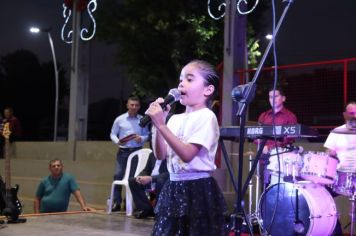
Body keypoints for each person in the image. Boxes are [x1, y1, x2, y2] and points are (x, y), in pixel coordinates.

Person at [146, 60, 227, 235]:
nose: (182, 83)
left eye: (190, 79)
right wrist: (158, 125)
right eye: (181, 79)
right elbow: (160, 154)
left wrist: (162, 126)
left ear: (208, 90)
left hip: (197, 188)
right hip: (173, 186)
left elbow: (188, 154)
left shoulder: (206, 116)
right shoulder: (174, 119)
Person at [110, 96, 149, 211]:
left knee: (133, 178)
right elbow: (112, 133)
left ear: (139, 107)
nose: (134, 107)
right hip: (123, 151)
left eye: (136, 105)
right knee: (118, 175)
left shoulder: (143, 119)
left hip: (137, 152)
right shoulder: (120, 119)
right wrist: (118, 141)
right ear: (127, 105)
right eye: (132, 105)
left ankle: (133, 204)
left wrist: (141, 138)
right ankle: (117, 203)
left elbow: (147, 135)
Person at [323, 102, 356, 236]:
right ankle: (335, 231)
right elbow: (329, 154)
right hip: (341, 175)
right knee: (322, 195)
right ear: (345, 115)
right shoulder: (337, 132)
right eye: (351, 113)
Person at [254, 87, 298, 187]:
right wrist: (261, 145)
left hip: (281, 157)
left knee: (278, 187)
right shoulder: (263, 116)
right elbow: (256, 135)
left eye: (275, 96)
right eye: (270, 97)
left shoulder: (290, 116)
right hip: (263, 157)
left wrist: (269, 147)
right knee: (263, 188)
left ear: (283, 98)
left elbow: (289, 138)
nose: (272, 99)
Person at [128, 152, 168, 219]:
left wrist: (151, 178)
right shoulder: (152, 154)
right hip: (150, 179)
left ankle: (158, 211)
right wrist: (140, 176)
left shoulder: (170, 155)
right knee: (132, 181)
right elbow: (146, 170)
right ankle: (145, 209)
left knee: (160, 181)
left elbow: (168, 174)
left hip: (161, 180)